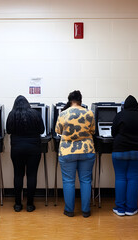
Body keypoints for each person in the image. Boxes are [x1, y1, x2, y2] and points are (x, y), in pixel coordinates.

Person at [55, 90, 95, 218]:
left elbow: (58, 130)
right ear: (80, 100)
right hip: (87, 150)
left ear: (69, 100)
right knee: (86, 181)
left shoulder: (63, 114)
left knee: (68, 181)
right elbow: (93, 130)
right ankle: (86, 211)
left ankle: (69, 210)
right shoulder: (89, 113)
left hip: (67, 151)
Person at [6, 95, 44, 212]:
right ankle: (30, 204)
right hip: (34, 149)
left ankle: (18, 204)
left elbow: (8, 131)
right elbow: (42, 130)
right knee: (31, 175)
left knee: (18, 175)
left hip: (17, 148)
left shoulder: (12, 114)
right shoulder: (35, 114)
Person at [112, 95, 138, 216]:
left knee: (120, 178)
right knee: (133, 178)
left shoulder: (120, 115)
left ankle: (120, 209)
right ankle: (131, 209)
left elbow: (113, 132)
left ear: (125, 106)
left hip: (120, 150)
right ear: (137, 106)